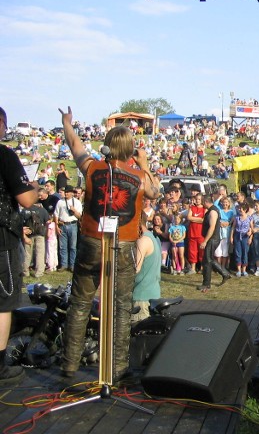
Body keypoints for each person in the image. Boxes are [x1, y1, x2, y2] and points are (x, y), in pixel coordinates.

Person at [58, 106, 161, 382]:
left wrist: (67, 123)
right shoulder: (138, 177)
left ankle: (69, 364)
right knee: (120, 306)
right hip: (124, 244)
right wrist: (144, 164)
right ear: (130, 149)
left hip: (91, 241)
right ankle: (116, 368)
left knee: (80, 303)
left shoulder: (92, 168)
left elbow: (75, 145)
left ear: (107, 146)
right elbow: (155, 191)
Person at [0, 106, 39, 385]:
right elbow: (26, 199)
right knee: (3, 304)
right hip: (1, 242)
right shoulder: (5, 155)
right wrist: (34, 187)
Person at [198, 195, 231, 293]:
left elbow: (212, 227)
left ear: (205, 202)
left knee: (207, 261)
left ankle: (206, 284)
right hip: (212, 239)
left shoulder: (213, 211)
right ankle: (224, 274)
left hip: (213, 239)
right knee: (208, 260)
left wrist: (205, 241)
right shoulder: (211, 210)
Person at [131, 212, 161, 322]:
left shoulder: (142, 240)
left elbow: (136, 269)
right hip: (152, 293)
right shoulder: (152, 236)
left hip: (141, 297)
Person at [53, 185, 83, 272]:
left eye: (67, 192)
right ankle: (64, 264)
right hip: (62, 225)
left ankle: (72, 265)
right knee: (63, 246)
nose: (66, 193)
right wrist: (56, 226)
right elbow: (56, 214)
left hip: (73, 225)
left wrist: (74, 210)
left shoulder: (77, 202)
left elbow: (79, 216)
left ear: (72, 193)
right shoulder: (60, 202)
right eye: (65, 192)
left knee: (73, 246)